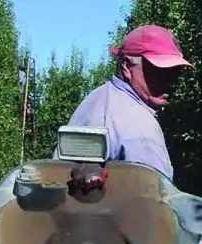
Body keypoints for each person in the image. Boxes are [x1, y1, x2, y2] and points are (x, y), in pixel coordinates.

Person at [62, 25, 192, 181]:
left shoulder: (94, 99)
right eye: (159, 71)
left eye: (175, 73)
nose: (170, 82)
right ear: (127, 67)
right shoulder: (140, 125)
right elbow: (154, 192)